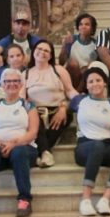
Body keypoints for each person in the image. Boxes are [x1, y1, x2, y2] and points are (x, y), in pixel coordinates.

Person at [71, 67, 110, 216]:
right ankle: (86, 200)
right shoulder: (79, 101)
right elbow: (65, 105)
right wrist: (62, 108)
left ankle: (105, 199)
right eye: (91, 81)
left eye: (98, 80)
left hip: (106, 146)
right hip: (85, 148)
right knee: (97, 146)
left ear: (104, 83)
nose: (95, 84)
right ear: (86, 85)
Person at [0, 68, 39, 217]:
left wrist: (14, 144)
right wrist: (0, 144)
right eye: (8, 81)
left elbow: (32, 133)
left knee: (19, 152)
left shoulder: (29, 106)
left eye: (16, 81)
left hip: (23, 150)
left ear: (21, 84)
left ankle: (24, 200)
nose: (12, 84)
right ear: (2, 85)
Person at [24, 39, 79, 168]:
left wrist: (70, 105)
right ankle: (45, 152)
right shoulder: (25, 74)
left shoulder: (58, 70)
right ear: (33, 51)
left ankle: (39, 154)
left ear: (50, 55)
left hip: (58, 109)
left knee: (64, 117)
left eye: (46, 51)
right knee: (34, 118)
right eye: (39, 49)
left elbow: (70, 90)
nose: (42, 52)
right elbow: (22, 98)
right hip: (35, 112)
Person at [59, 13, 98, 90]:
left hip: (86, 75)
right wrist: (64, 46)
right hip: (72, 73)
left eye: (87, 24)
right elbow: (61, 62)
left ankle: (77, 92)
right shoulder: (72, 40)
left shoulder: (96, 44)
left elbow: (92, 64)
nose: (83, 27)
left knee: (89, 68)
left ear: (92, 28)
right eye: (81, 24)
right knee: (73, 63)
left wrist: (85, 69)